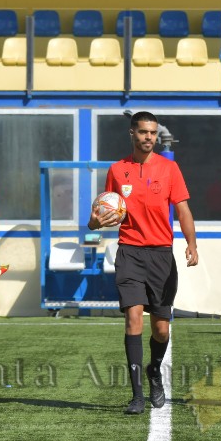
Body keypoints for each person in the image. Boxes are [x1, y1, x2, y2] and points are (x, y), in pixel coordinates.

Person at [88, 111, 199, 415]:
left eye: (152, 132)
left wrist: (191, 243)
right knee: (133, 318)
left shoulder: (169, 168)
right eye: (143, 132)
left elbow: (183, 209)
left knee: (161, 329)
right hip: (130, 253)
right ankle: (137, 395)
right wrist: (94, 222)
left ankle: (154, 370)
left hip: (161, 255)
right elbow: (104, 213)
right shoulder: (116, 170)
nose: (148, 137)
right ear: (132, 133)